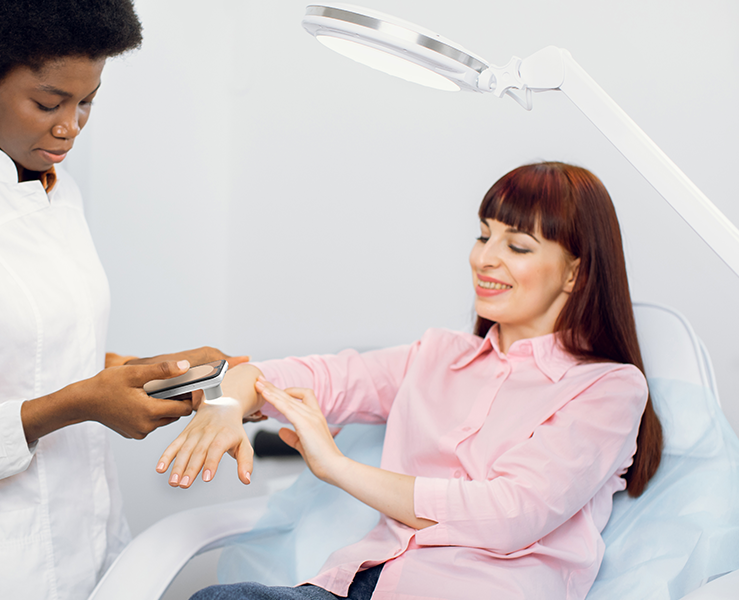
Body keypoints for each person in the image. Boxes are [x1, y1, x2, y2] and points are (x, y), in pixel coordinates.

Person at [0, 2, 246, 599]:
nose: (71, 127)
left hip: (91, 535)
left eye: (87, 102)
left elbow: (32, 352)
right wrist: (80, 403)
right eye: (48, 103)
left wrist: (155, 375)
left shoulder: (60, 193)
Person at [158, 162, 664, 599]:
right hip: (361, 584)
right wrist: (225, 403)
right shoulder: (435, 356)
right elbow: (302, 377)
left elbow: (511, 514)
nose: (484, 258)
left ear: (574, 273)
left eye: (517, 246)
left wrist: (337, 467)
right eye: (484, 235)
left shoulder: (609, 388)